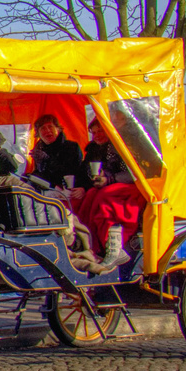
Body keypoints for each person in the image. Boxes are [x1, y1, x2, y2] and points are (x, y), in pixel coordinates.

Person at [75, 117, 145, 273]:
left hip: (131, 186)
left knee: (104, 196)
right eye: (94, 133)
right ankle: (92, 246)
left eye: (100, 131)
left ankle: (114, 246)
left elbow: (134, 173)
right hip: (108, 185)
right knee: (89, 197)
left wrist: (109, 179)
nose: (97, 135)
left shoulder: (122, 148)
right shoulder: (93, 150)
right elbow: (85, 174)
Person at [27, 113, 84, 190]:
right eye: (43, 128)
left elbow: (69, 172)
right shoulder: (39, 150)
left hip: (68, 189)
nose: (47, 130)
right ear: (38, 134)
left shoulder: (71, 147)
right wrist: (40, 165)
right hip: (47, 189)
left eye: (50, 127)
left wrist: (47, 160)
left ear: (58, 129)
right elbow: (41, 176)